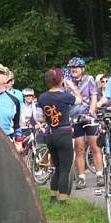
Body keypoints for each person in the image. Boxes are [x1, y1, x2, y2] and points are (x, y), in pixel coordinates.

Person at [39, 68, 83, 204]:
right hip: (64, 133)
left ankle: (52, 197)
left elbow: (40, 117)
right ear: (61, 80)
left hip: (51, 135)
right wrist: (72, 87)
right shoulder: (65, 96)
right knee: (65, 169)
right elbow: (80, 100)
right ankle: (63, 199)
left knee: (57, 167)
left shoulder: (42, 97)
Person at [65, 57, 100, 189]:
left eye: (76, 67)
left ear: (82, 69)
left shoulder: (89, 79)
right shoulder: (66, 83)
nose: (74, 70)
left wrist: (91, 112)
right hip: (74, 117)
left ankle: (99, 174)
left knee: (95, 145)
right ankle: (81, 177)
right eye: (71, 68)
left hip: (88, 116)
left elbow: (94, 97)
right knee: (79, 148)